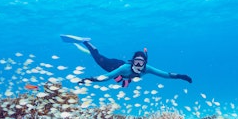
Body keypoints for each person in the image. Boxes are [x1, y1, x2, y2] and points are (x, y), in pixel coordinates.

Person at [61, 35, 192, 88]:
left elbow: (165, 75)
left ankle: (88, 51)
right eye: (136, 62)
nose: (139, 65)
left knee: (124, 84)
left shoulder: (147, 69)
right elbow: (107, 77)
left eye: (141, 62)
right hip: (113, 66)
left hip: (124, 77)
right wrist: (88, 79)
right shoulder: (125, 68)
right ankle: (85, 42)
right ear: (132, 61)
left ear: (145, 63)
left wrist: (181, 76)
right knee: (98, 58)